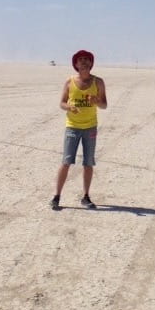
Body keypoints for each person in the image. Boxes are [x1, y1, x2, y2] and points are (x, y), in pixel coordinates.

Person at [51, 49, 107, 210]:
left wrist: (96, 101)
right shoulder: (69, 82)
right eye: (80, 59)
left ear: (91, 63)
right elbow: (61, 103)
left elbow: (104, 105)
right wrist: (69, 106)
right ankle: (56, 196)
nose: (83, 61)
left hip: (90, 127)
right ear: (75, 64)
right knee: (66, 161)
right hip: (72, 127)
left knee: (88, 162)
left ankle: (86, 196)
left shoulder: (98, 82)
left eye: (86, 59)